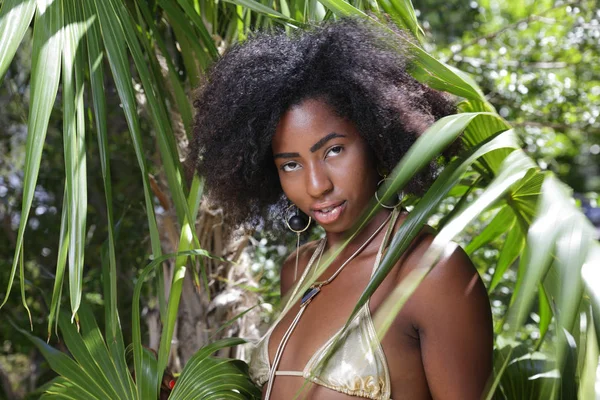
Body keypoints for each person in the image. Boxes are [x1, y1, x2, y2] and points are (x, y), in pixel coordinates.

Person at [190, 18, 493, 400]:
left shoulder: (431, 272)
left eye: (333, 151)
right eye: (291, 164)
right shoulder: (297, 271)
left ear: (377, 137)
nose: (317, 185)